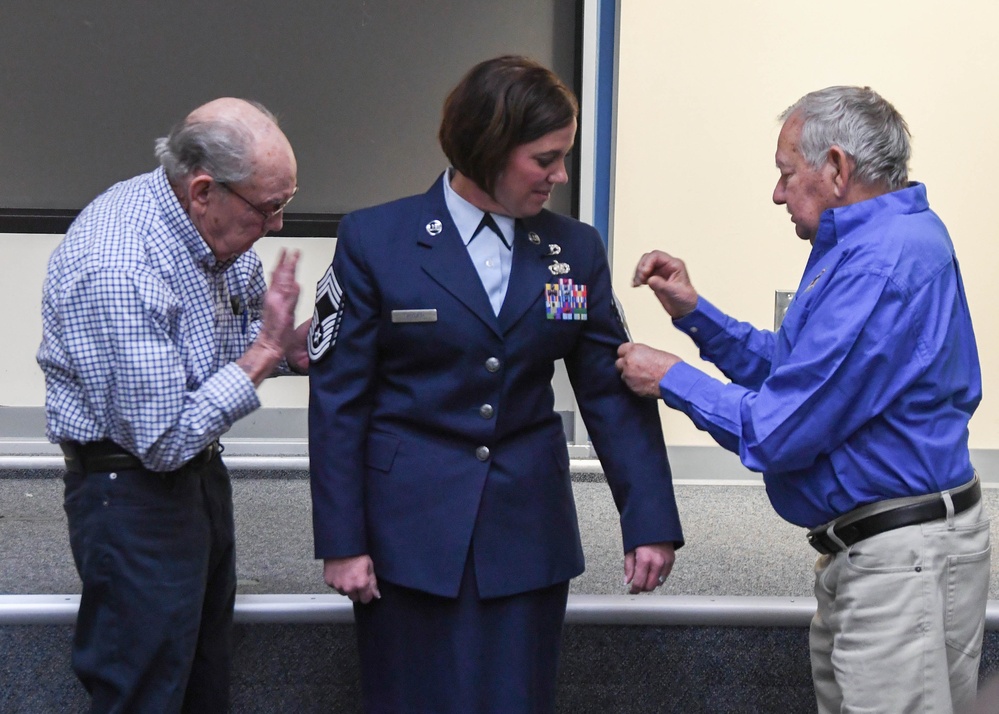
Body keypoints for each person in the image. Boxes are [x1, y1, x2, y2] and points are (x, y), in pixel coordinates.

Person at [308, 55, 684, 713]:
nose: (559, 176)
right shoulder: (377, 239)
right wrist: (342, 541)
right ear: (487, 149)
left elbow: (606, 391)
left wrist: (648, 518)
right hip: (406, 534)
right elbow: (339, 399)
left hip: (525, 531)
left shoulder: (574, 250)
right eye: (544, 159)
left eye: (562, 157)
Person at [616, 85, 990, 713]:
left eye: (786, 173)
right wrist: (695, 314)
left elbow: (778, 429)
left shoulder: (880, 262)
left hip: (902, 564)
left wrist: (672, 378)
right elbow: (800, 375)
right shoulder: (874, 244)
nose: (777, 193)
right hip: (883, 557)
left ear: (837, 169)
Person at [37, 97, 309, 713]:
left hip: (197, 479)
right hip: (130, 493)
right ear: (204, 189)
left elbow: (233, 342)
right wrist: (266, 351)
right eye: (269, 208)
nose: (278, 226)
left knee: (203, 684)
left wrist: (291, 346)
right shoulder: (119, 262)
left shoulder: (209, 227)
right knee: (144, 693)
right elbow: (161, 438)